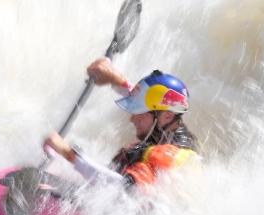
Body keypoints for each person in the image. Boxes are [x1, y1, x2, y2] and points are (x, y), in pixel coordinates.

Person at [43, 58, 198, 189]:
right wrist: (115, 79)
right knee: (127, 155)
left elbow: (120, 189)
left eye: (139, 112)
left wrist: (69, 154)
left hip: (132, 213)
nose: (132, 118)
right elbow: (147, 101)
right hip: (120, 197)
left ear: (168, 116)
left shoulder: (166, 157)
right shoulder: (167, 124)